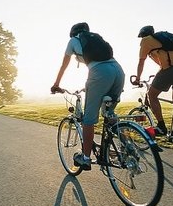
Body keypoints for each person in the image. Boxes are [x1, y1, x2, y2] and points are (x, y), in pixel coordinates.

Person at [51, 22, 125, 170]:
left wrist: (56, 85)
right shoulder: (96, 39)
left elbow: (63, 66)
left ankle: (85, 158)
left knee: (88, 120)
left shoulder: (73, 41)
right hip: (118, 71)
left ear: (73, 33)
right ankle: (126, 147)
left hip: (100, 73)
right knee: (109, 114)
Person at [133, 25, 173, 136]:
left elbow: (141, 61)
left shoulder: (146, 40)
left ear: (143, 35)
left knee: (152, 95)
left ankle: (161, 127)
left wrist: (138, 78)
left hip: (172, 68)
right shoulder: (162, 41)